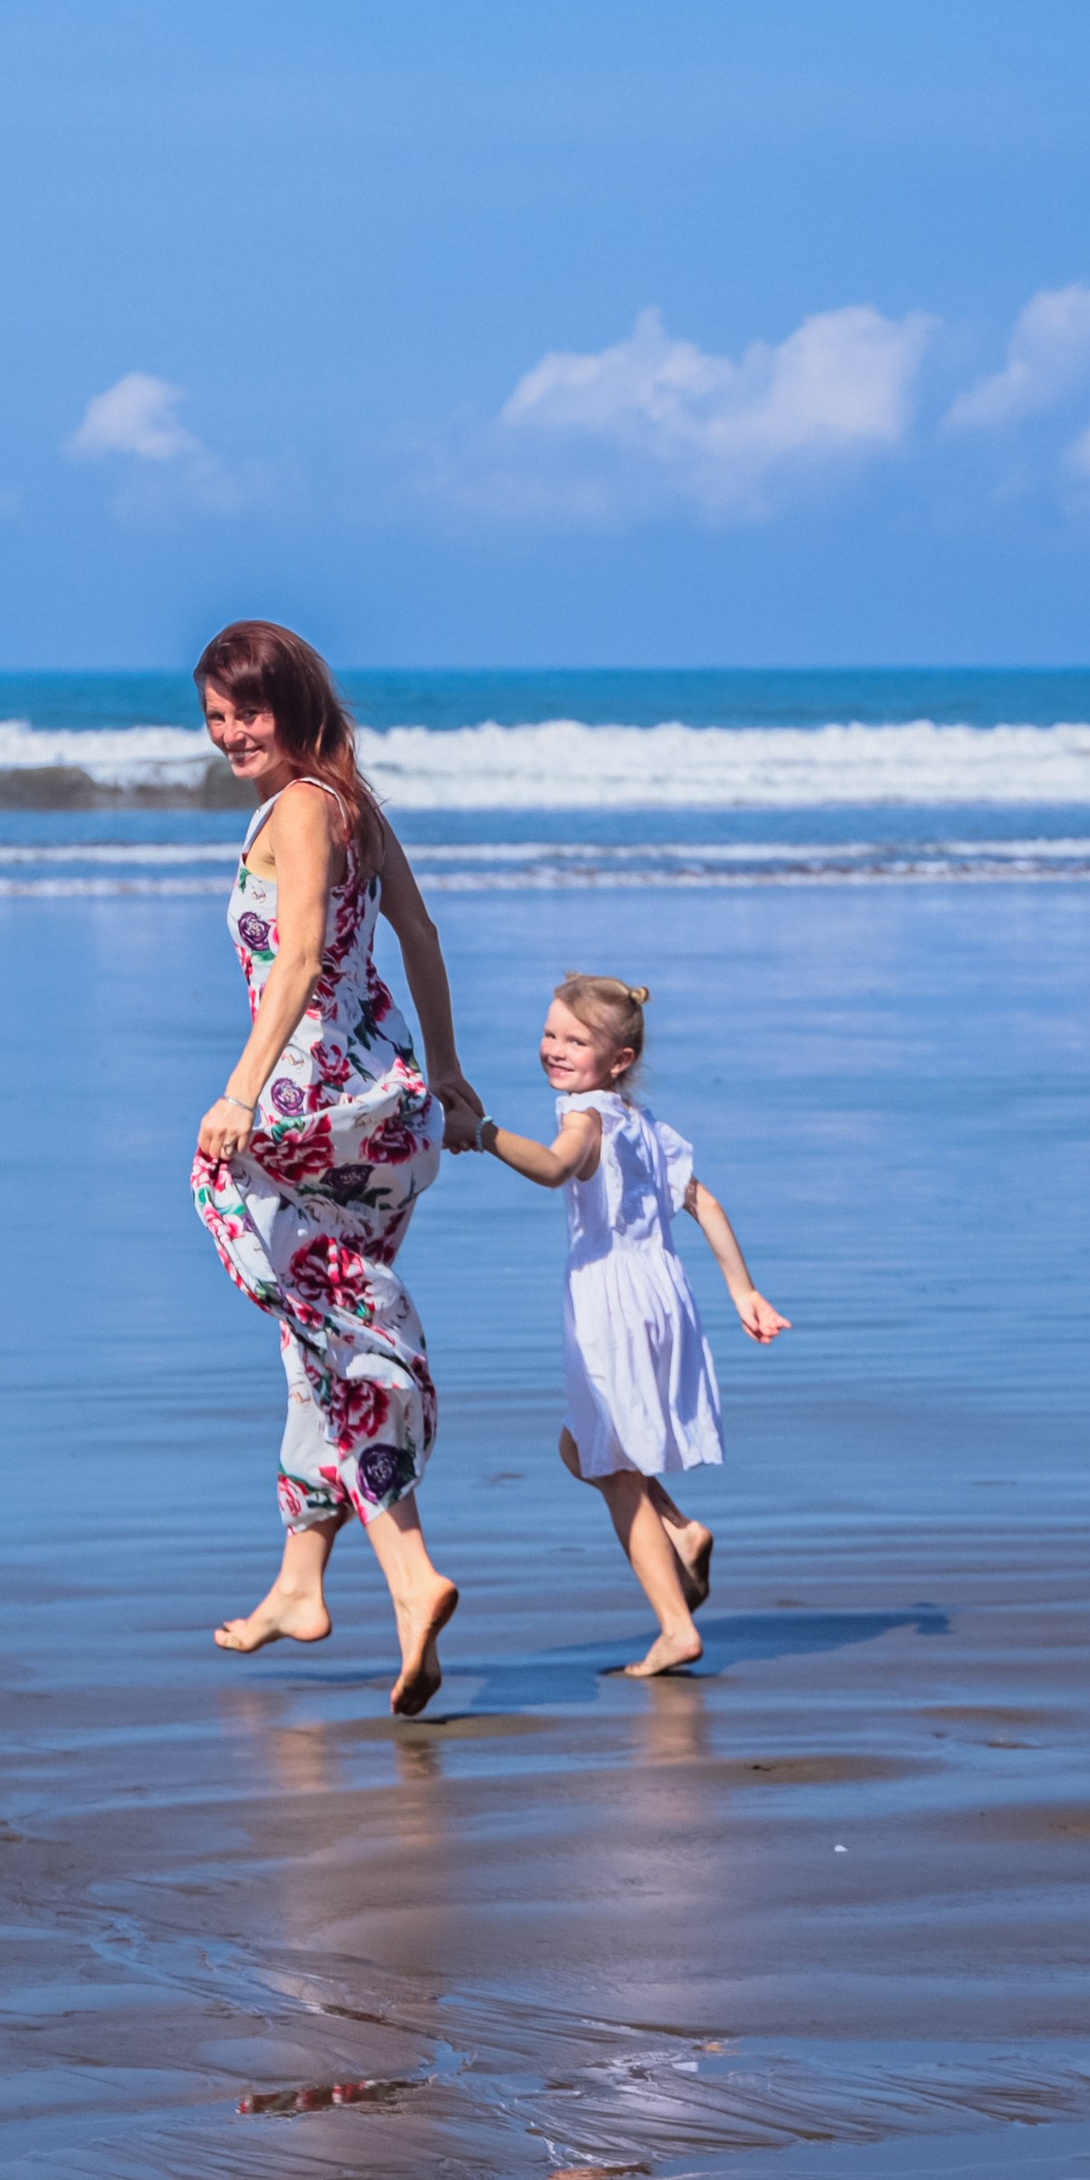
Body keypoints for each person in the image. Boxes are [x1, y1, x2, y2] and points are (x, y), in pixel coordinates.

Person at [189, 621, 487, 1718]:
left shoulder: (302, 808)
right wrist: (448, 1075)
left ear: (295, 702)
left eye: (248, 712)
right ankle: (299, 1581)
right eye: (216, 716)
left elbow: (302, 956)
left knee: (236, 1209)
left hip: (311, 1108)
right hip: (387, 1109)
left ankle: (409, 1574)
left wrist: (236, 1091)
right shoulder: (351, 800)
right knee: (314, 1334)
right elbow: (418, 930)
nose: (231, 734)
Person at [474, 974, 788, 1677]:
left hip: (612, 1301)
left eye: (576, 1041)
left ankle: (676, 1628)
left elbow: (557, 1169)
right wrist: (743, 1291)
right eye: (551, 1033)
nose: (555, 1050)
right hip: (663, 1295)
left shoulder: (584, 1116)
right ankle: (680, 1528)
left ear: (617, 1060)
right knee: (579, 1449)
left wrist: (484, 1134)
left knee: (611, 1468)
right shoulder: (644, 1125)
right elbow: (703, 1202)